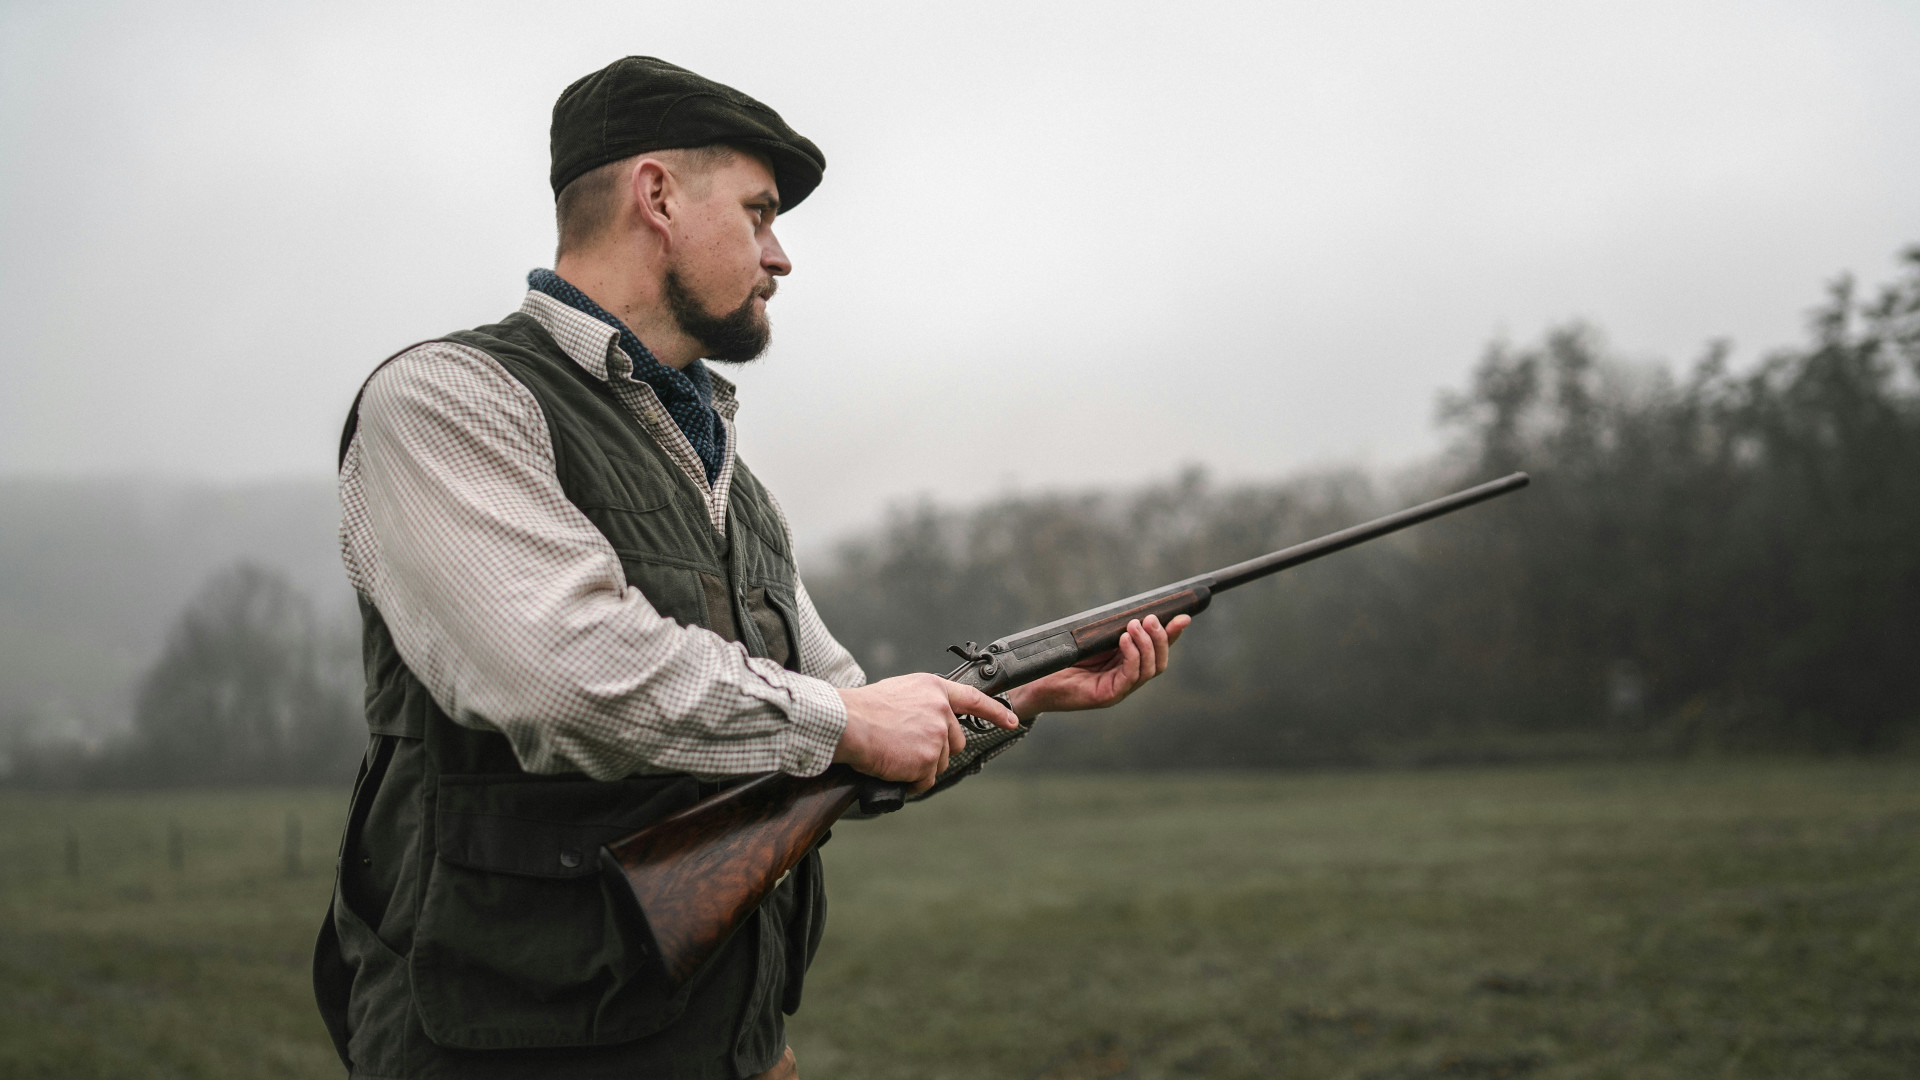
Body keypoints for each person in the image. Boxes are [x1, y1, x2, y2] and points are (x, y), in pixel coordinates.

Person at [312, 56, 1188, 1080]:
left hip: (727, 1042)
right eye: (759, 213)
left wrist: (1019, 697)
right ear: (656, 197)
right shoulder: (451, 399)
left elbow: (844, 720)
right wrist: (850, 723)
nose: (781, 257)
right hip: (504, 1049)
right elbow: (566, 673)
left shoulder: (736, 484)